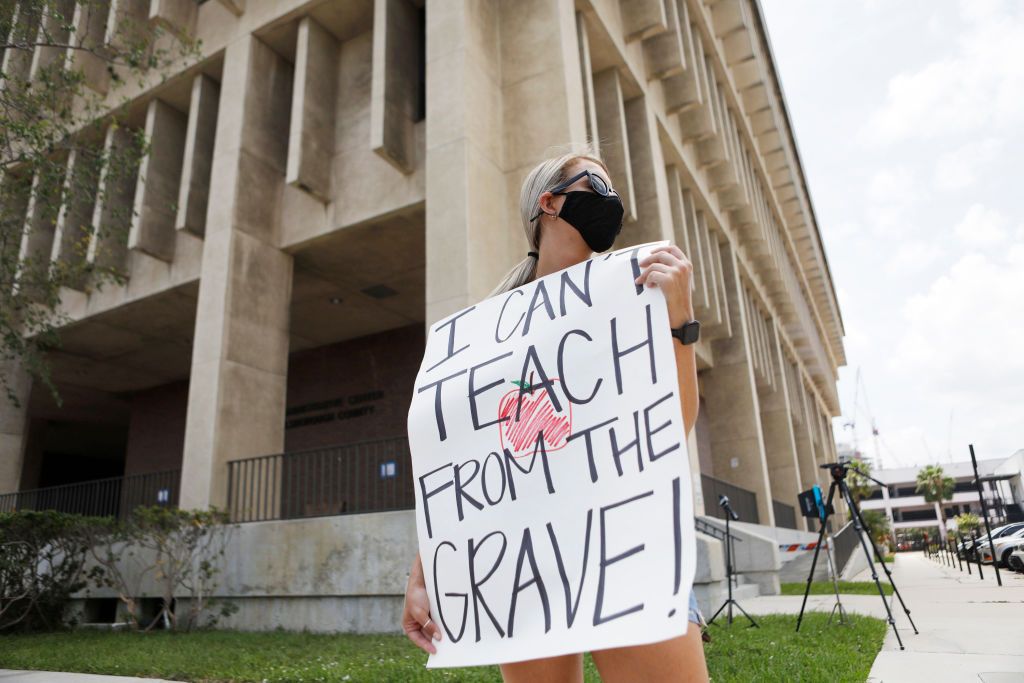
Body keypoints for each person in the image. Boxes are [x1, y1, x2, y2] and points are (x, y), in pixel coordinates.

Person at [402, 145, 710, 683]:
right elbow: (462, 468)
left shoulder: (636, 293)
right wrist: (427, 570)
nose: (612, 202)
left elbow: (674, 423)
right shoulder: (486, 335)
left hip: (626, 546)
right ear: (549, 202)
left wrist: (680, 322)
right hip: (529, 567)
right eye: (597, 187)